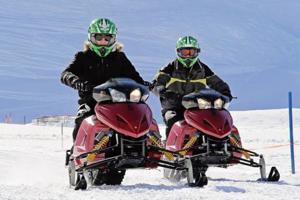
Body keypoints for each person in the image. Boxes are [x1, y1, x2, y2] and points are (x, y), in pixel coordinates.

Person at [61, 18, 145, 141]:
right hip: (91, 101)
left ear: (114, 39)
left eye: (107, 38)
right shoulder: (82, 57)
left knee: (138, 119)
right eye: (98, 38)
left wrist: (143, 85)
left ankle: (144, 150)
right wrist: (76, 82)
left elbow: (134, 76)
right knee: (82, 120)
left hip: (119, 102)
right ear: (91, 38)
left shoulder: (120, 58)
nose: (103, 42)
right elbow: (66, 73)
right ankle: (78, 155)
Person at [152, 36, 232, 139]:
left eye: (191, 52)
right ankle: (171, 150)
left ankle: (221, 144)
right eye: (185, 52)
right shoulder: (170, 68)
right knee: (174, 120)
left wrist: (225, 92)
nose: (188, 56)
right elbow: (155, 84)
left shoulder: (203, 69)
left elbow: (217, 82)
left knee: (216, 120)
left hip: (198, 106)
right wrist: (164, 92)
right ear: (178, 52)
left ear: (197, 52)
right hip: (175, 106)